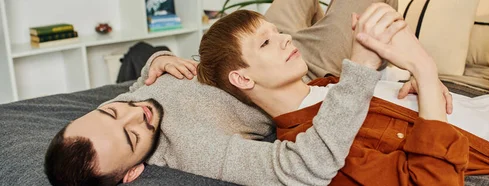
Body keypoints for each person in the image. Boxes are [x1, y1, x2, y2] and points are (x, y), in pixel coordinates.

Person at [196, 0, 489, 184]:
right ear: (243, 79)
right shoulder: (317, 150)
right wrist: (424, 70)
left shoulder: (330, 87)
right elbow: (433, 180)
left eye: (278, 32)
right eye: (266, 44)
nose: (286, 40)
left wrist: (417, 85)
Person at [43, 0, 403, 185]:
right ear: (133, 172)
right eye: (132, 134)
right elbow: (301, 170)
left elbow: (140, 83)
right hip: (300, 66)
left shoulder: (121, 108)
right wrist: (361, 71)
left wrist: (159, 58)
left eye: (111, 111)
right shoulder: (193, 149)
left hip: (257, 41)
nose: (137, 111)